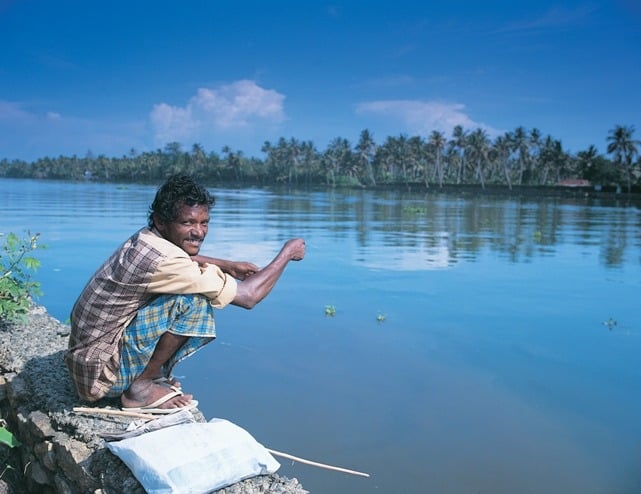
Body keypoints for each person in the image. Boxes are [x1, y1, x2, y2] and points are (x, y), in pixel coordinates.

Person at [65, 175, 305, 412]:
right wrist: (286, 253)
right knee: (193, 300)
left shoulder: (147, 239)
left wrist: (227, 265)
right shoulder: (165, 260)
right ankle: (140, 387)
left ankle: (149, 374)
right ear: (161, 221)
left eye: (204, 223)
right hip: (99, 378)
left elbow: (178, 258)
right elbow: (248, 296)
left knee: (187, 289)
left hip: (85, 364)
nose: (199, 232)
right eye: (188, 223)